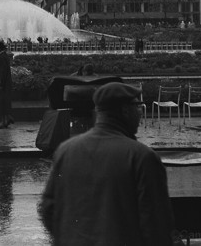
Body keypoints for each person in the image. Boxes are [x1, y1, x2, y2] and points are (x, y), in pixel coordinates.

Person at [39, 82, 179, 246]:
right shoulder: (142, 157)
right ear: (126, 110)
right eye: (138, 106)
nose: (140, 113)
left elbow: (48, 209)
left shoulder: (66, 150)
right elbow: (156, 226)